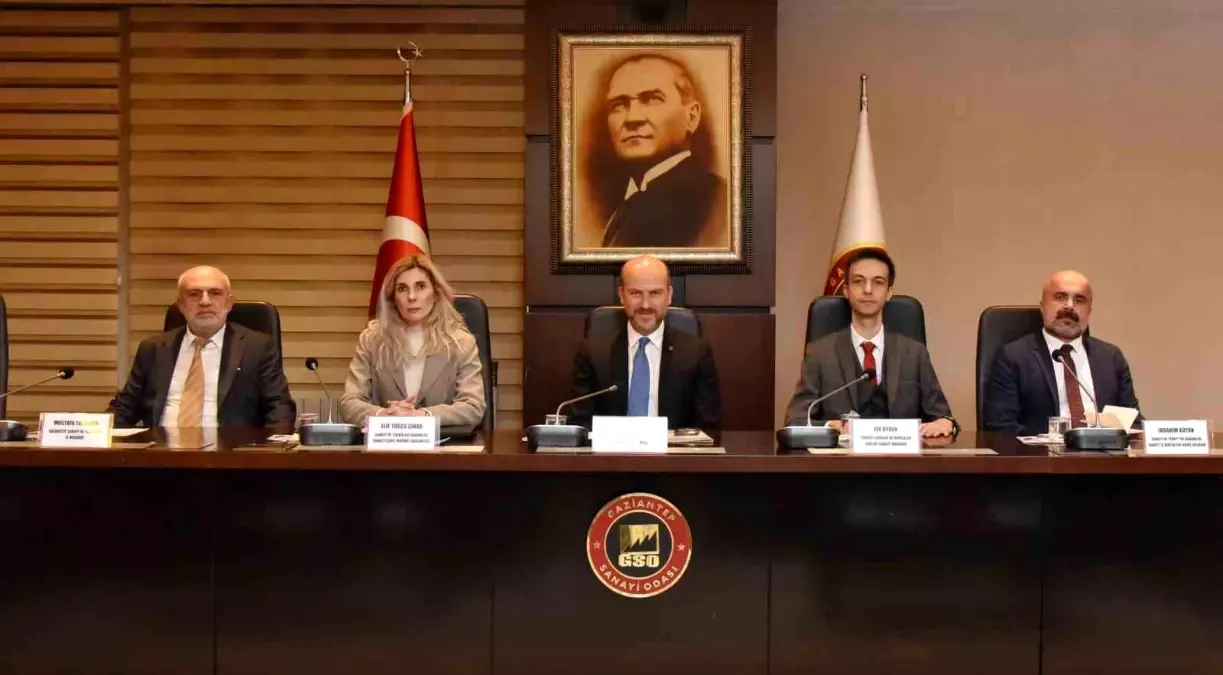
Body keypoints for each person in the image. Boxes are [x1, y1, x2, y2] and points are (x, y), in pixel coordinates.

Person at [784, 249, 957, 437]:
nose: (868, 290)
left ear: (889, 292)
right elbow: (796, 420)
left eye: (878, 282)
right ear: (846, 290)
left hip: (901, 455)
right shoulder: (820, 353)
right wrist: (830, 426)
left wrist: (946, 423)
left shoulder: (914, 353)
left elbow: (943, 417)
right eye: (859, 281)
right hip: (842, 455)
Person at [109, 266, 294, 429]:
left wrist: (268, 452)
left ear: (229, 303)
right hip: (160, 452)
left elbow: (279, 409)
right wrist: (97, 432)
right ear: (180, 305)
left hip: (231, 453)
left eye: (215, 293)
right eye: (194, 294)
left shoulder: (258, 348)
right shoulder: (153, 349)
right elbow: (124, 408)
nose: (205, 301)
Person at [567, 255, 722, 431]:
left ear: (669, 295)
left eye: (655, 293)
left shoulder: (696, 353)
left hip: (673, 449)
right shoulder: (592, 353)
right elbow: (579, 424)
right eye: (635, 293)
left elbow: (708, 428)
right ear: (622, 295)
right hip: (609, 449)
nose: (645, 305)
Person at [982, 270, 1140, 435]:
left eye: (1079, 300)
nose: (1069, 306)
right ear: (1042, 306)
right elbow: (1000, 426)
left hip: (1104, 450)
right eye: (1060, 297)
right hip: (1040, 451)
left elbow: (1133, 422)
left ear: (1089, 311)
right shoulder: (1013, 357)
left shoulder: (1111, 358)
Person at [596, 54, 728, 249]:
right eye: (619, 105)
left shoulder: (717, 202)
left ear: (691, 117)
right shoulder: (626, 205)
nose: (632, 118)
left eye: (652, 100)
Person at [340, 256, 485, 429]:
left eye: (420, 286)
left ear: (436, 294)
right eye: (402, 289)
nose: (411, 296)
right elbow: (350, 403)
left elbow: (473, 406)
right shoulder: (372, 340)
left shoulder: (461, 343)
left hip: (444, 443)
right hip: (387, 442)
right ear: (393, 298)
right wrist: (384, 415)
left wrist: (420, 416)